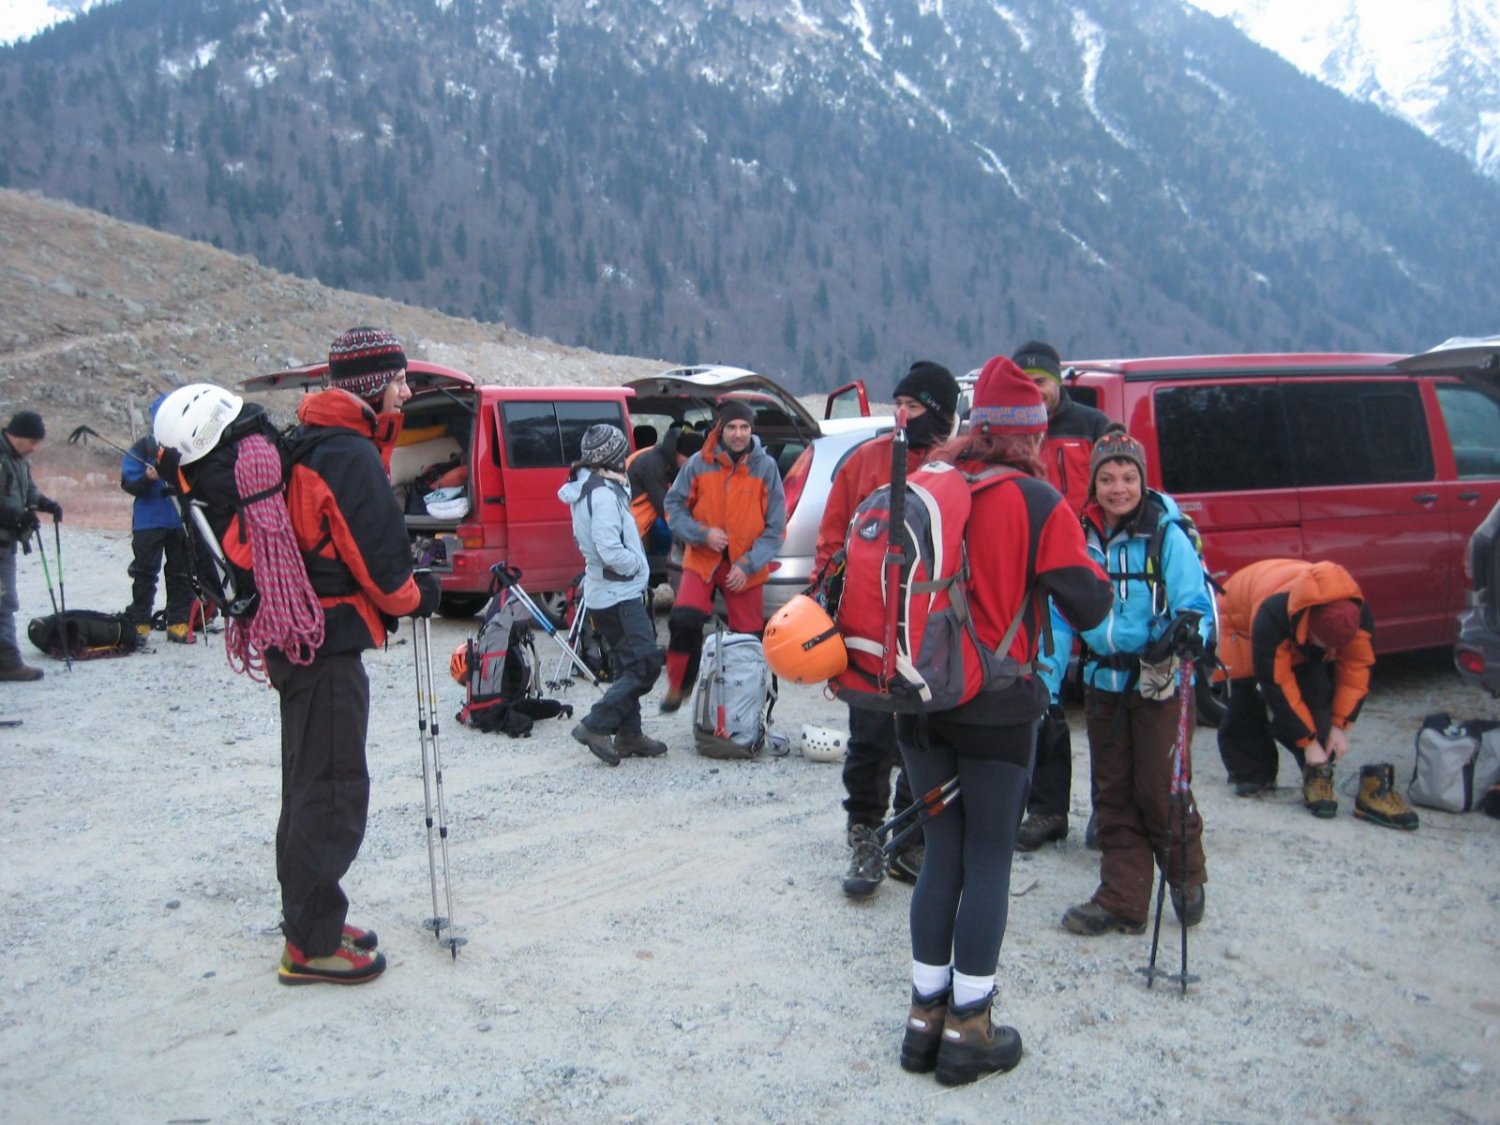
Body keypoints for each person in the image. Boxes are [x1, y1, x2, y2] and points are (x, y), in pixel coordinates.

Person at [155, 381, 441, 986]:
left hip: (293, 644)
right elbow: (375, 567)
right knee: (330, 792)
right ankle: (310, 945)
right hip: (323, 647)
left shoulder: (246, 474)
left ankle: (313, 922)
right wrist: (417, 597)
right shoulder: (288, 462)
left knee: (309, 784)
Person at [895, 356, 1110, 1087]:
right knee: (989, 859)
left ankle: (923, 1019)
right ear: (1030, 433)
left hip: (919, 702)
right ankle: (971, 1025)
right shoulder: (1039, 500)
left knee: (941, 852)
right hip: (997, 705)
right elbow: (1091, 606)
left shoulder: (932, 483)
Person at [1042, 425, 1214, 937]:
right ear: (1093, 484)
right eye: (1108, 478)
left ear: (1143, 480)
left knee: (1159, 788)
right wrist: (1049, 686)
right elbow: (1060, 614)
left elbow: (1197, 603)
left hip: (1159, 681)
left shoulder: (1167, 534)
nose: (1119, 488)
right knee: (1112, 791)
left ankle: (1185, 873)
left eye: (1129, 477)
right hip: (1103, 680)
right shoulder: (1079, 536)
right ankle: (1123, 897)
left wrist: (1190, 634)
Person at [812, 361, 960, 898]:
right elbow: (832, 539)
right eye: (898, 404)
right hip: (867, 630)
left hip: (930, 633)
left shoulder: (954, 470)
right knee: (869, 738)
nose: (901, 415)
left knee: (924, 739)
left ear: (940, 415)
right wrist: (824, 603)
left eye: (915, 407)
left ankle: (912, 835)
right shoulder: (868, 460)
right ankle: (866, 837)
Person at [1215, 558, 1413, 827]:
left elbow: (1356, 671)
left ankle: (1316, 774)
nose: (1328, 652)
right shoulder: (1273, 615)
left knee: (1316, 692)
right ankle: (1251, 774)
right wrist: (1307, 743)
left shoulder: (1356, 617)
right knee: (1245, 696)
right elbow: (1277, 686)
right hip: (1238, 615)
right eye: (1323, 645)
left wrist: (1340, 725)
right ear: (1309, 628)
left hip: (1296, 614)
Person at [1010, 340, 1111, 852]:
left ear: (1058, 382)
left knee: (1108, 693)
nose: (1035, 393)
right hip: (1039, 584)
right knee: (1045, 698)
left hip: (1095, 575)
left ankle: (1110, 814)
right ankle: (1048, 810)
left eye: (1041, 383)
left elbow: (1122, 491)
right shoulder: (1015, 434)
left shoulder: (1094, 428)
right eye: (1026, 385)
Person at [660, 400, 786, 711]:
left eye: (744, 427)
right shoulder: (699, 463)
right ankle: (679, 687)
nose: (738, 433)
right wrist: (701, 534)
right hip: (703, 559)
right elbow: (673, 507)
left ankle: (745, 704)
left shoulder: (765, 466)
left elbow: (775, 527)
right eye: (732, 427)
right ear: (721, 428)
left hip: (746, 565)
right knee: (683, 620)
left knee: (749, 639)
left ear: (751, 430)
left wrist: (748, 564)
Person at [559, 424, 668, 766]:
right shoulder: (603, 495)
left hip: (606, 592)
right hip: (617, 593)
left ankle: (629, 735)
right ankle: (595, 724)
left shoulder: (594, 487)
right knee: (645, 665)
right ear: (613, 456)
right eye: (622, 451)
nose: (625, 457)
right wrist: (637, 565)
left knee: (626, 665)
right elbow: (608, 548)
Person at [121, 395, 196, 645]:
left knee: (181, 573)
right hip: (148, 522)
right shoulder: (143, 449)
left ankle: (178, 623)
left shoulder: (188, 446)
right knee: (144, 573)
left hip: (179, 520)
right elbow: (129, 484)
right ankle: (140, 623)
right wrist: (149, 478)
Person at [0, 411, 62, 682]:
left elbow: (29, 491)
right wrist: (18, 515)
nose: (35, 448)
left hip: (7, 541)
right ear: (16, 435)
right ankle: (8, 664)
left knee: (5, 601)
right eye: (32, 441)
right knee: (4, 602)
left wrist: (46, 504)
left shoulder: (19, 459)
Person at [326, 326, 413, 471]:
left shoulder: (330, 444)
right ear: (369, 388)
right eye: (399, 381)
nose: (407, 393)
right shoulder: (357, 459)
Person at [628, 426, 704, 562]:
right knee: (639, 569)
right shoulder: (654, 465)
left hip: (637, 523)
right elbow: (665, 507)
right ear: (682, 455)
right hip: (633, 525)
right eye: (692, 462)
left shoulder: (662, 456)